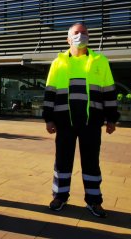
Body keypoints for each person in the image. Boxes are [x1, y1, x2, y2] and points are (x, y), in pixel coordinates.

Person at [43, 23, 120, 218]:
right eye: (76, 33)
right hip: (64, 122)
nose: (80, 35)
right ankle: (60, 196)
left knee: (91, 162)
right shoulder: (57, 62)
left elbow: (109, 91)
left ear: (89, 37)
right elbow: (49, 92)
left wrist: (111, 118)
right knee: (62, 161)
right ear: (68, 39)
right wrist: (48, 119)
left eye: (84, 32)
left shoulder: (100, 61)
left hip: (91, 122)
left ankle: (94, 201)